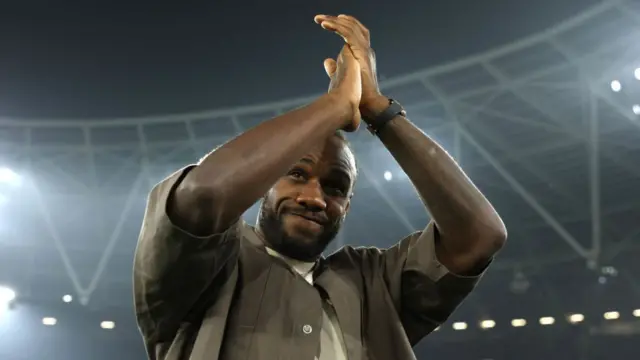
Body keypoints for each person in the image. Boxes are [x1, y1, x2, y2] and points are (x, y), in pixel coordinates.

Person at [134, 14, 507, 360]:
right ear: (264, 182)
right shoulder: (204, 266)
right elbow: (203, 196)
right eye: (296, 174)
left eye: (335, 187)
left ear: (347, 203)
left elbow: (480, 237)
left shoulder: (374, 281)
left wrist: (379, 110)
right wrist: (335, 106)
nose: (314, 198)